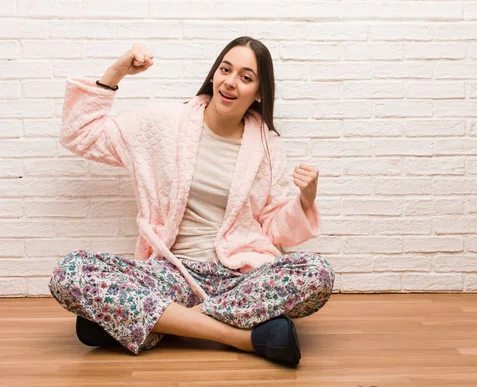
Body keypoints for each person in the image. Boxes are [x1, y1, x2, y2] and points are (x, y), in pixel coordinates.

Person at [47, 37, 335, 367]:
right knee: (70, 271)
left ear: (258, 92)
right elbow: (80, 136)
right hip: (172, 273)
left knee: (317, 272)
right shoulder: (164, 124)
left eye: (246, 76)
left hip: (237, 277)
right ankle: (239, 336)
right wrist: (116, 72)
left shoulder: (268, 147)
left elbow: (273, 226)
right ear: (214, 75)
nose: (230, 81)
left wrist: (305, 200)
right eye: (225, 70)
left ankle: (158, 323)